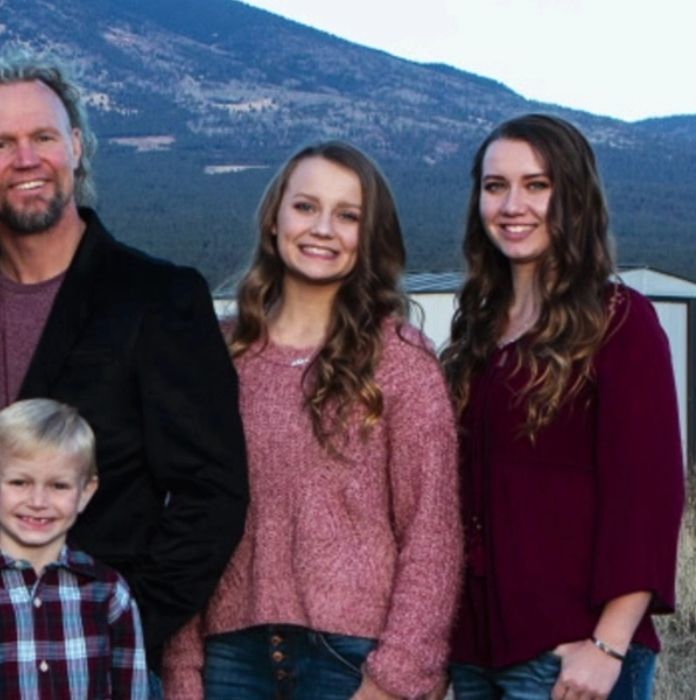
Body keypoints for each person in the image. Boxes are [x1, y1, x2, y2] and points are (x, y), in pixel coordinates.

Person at [0, 47, 251, 681]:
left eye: (43, 136)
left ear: (75, 145)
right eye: (1, 144)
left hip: (99, 661)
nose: (26, 159)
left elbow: (213, 492)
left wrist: (124, 625)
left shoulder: (159, 297)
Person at [161, 142, 461, 699]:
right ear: (274, 220)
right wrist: (182, 670)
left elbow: (431, 533)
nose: (322, 228)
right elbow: (183, 517)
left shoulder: (400, 361)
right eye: (305, 207)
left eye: (347, 216)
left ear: (367, 238)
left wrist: (394, 680)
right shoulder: (216, 355)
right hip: (228, 660)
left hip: (353, 660)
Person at [443, 114, 685, 700]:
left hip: (571, 656)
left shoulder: (619, 321)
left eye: (537, 184)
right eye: (495, 185)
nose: (512, 204)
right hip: (477, 654)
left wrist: (606, 646)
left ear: (573, 197)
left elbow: (648, 496)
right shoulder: (477, 330)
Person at [0, 398, 149, 699]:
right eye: (19, 482)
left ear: (86, 492)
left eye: (58, 485)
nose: (38, 501)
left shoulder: (111, 594)